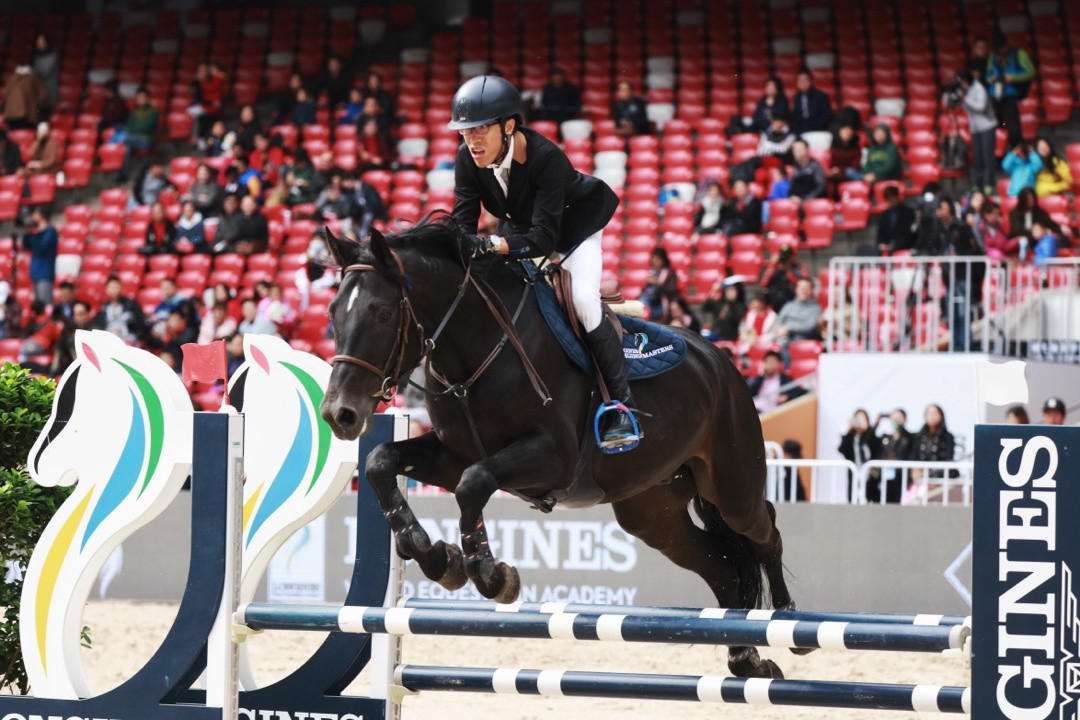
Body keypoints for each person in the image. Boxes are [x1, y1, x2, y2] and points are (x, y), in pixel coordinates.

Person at [448, 74, 635, 450]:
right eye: (466, 131)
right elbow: (462, 226)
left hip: (573, 230)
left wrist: (492, 244)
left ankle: (620, 406)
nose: (472, 140)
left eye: (481, 128)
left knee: (582, 300)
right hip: (519, 228)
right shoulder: (467, 158)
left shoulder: (546, 157)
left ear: (509, 126)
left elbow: (544, 240)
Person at [985, 33, 1036, 149]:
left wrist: (1013, 77)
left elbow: (1031, 72)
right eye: (998, 49)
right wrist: (992, 79)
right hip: (994, 96)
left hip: (1010, 97)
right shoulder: (992, 55)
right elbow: (987, 75)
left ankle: (1017, 150)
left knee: (1012, 127)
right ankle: (999, 153)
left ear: (1006, 45)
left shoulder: (1019, 54)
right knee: (996, 126)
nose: (1000, 51)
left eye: (1002, 47)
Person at [951, 69, 997, 196]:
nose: (961, 84)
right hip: (974, 128)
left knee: (987, 157)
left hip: (987, 126)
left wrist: (965, 99)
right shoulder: (963, 91)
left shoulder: (978, 88)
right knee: (977, 158)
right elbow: (949, 103)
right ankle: (978, 184)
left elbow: (980, 107)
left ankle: (989, 184)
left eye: (961, 81)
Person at [907, 403, 956, 503]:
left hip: (940, 479)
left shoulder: (948, 437)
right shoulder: (918, 436)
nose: (932, 416)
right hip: (920, 479)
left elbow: (949, 459)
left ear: (941, 416)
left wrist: (936, 478)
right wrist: (914, 469)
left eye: (935, 413)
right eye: (929, 413)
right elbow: (913, 455)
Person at [838, 408, 882, 502]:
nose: (860, 422)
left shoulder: (870, 435)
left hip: (869, 474)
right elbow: (842, 449)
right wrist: (849, 430)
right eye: (858, 419)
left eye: (863, 419)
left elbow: (874, 446)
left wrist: (868, 429)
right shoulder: (850, 437)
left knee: (871, 497)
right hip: (855, 473)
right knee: (853, 498)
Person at [873, 408, 913, 504]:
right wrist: (876, 423)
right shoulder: (885, 437)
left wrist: (900, 425)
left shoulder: (908, 438)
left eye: (899, 418)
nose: (895, 420)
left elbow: (911, 441)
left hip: (901, 477)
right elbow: (870, 441)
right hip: (884, 476)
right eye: (893, 418)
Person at [118, 87, 159, 181]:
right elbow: (128, 126)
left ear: (148, 99)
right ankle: (123, 175)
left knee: (125, 138)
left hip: (146, 140)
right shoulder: (133, 112)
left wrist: (135, 129)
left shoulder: (153, 112)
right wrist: (136, 129)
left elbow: (147, 127)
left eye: (143, 97)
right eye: (139, 98)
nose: (141, 100)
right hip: (132, 139)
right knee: (127, 147)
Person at [92, 276, 146, 343]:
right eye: (112, 288)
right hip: (108, 338)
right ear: (106, 290)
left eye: (117, 287)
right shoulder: (103, 307)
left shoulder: (131, 304)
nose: (115, 290)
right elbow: (97, 325)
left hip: (128, 339)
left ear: (121, 288)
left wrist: (130, 324)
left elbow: (141, 322)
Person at [21, 206, 56, 305]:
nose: (33, 216)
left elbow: (41, 248)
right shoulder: (35, 233)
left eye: (36, 214)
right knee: (38, 305)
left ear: (42, 215)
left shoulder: (50, 231)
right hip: (35, 272)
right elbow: (25, 246)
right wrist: (27, 232)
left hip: (45, 272)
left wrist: (35, 234)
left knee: (45, 304)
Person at [774, 277, 821, 349]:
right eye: (801, 288)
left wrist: (789, 327)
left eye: (806, 288)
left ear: (811, 290)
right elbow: (778, 321)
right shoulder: (788, 305)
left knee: (788, 343)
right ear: (796, 289)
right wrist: (779, 329)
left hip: (802, 340)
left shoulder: (815, 308)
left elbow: (809, 326)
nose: (803, 290)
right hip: (783, 337)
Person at [759, 243, 807, 311]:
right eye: (783, 257)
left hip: (793, 301)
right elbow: (763, 284)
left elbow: (802, 285)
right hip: (775, 302)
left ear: (792, 257)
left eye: (787, 257)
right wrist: (772, 266)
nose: (785, 260)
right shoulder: (774, 267)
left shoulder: (799, 267)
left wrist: (787, 271)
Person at [638, 247, 679, 323]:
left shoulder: (670, 273)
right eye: (653, 258)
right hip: (650, 302)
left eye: (658, 259)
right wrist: (647, 284)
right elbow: (646, 292)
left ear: (663, 260)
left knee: (644, 305)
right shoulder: (651, 271)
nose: (655, 261)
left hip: (663, 304)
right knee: (642, 300)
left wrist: (658, 283)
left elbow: (672, 291)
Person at [701, 275, 746, 341]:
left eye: (732, 289)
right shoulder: (721, 302)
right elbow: (705, 307)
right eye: (727, 290)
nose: (729, 292)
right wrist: (713, 290)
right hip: (715, 333)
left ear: (738, 291)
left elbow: (734, 319)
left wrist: (731, 302)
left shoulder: (740, 306)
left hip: (728, 337)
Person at [789, 69, 833, 136]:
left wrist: (812, 125)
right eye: (800, 80)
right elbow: (795, 116)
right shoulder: (796, 97)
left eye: (805, 80)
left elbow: (827, 115)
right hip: (800, 130)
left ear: (811, 81)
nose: (802, 83)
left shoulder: (820, 95)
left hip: (817, 129)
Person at [2, 64, 45, 129]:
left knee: (13, 133)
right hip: (26, 115)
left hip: (10, 115)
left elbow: (5, 94)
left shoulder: (12, 77)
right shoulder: (32, 78)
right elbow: (43, 95)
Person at [876, 185, 916, 254]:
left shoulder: (908, 213)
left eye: (892, 198)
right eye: (888, 199)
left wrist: (895, 245)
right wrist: (881, 244)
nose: (891, 201)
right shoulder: (884, 215)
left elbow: (909, 234)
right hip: (887, 249)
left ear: (897, 197)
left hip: (904, 248)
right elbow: (880, 234)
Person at [30, 34, 59, 113]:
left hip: (49, 88)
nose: (40, 44)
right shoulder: (36, 55)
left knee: (47, 111)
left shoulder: (52, 55)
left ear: (46, 43)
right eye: (38, 43)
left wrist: (32, 73)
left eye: (42, 42)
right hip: (38, 89)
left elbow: (45, 71)